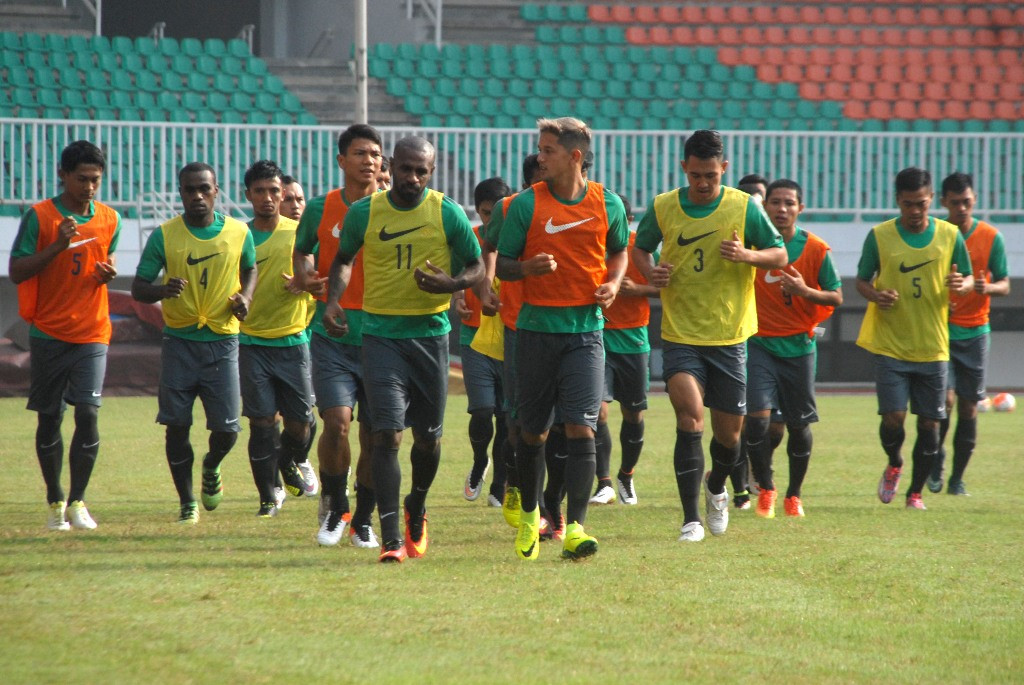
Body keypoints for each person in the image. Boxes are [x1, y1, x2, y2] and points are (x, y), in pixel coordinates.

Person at [323, 135, 484, 563]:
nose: (412, 177)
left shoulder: (446, 212)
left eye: (422, 171)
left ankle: (417, 505)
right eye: (406, 168)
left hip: (430, 337)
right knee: (386, 436)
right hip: (379, 338)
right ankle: (392, 537)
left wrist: (452, 285)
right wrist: (335, 300)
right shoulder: (365, 212)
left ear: (431, 172)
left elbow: (476, 265)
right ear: (390, 165)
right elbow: (343, 259)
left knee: (427, 441)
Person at [633, 129, 786, 542]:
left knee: (730, 438)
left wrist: (747, 255)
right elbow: (640, 249)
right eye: (696, 174)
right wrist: (651, 272)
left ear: (725, 170)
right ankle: (690, 520)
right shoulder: (664, 206)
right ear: (684, 168)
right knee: (690, 419)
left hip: (730, 336)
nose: (703, 183)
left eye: (712, 176)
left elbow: (779, 254)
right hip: (682, 333)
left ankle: (717, 486)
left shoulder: (743, 206)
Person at [496, 117, 629, 561]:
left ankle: (575, 528)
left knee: (582, 427)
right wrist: (527, 269)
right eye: (539, 148)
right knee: (532, 434)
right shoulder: (523, 206)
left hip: (586, 333)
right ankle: (532, 517)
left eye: (548, 149)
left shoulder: (608, 203)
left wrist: (613, 283)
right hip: (535, 333)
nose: (539, 156)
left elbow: (619, 251)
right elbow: (502, 263)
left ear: (575, 156)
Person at [131, 162, 257, 524]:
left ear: (216, 190)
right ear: (181, 193)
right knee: (176, 426)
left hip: (223, 342)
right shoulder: (165, 235)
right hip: (179, 343)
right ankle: (187, 502)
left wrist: (245, 297)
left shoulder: (237, 232)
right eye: (190, 190)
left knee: (228, 429)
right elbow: (139, 287)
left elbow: (251, 267)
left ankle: (211, 464)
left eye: (204, 189)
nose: (198, 196)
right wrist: (161, 290)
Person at [10, 140, 121, 531]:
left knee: (88, 413)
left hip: (92, 332)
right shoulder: (40, 217)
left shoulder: (110, 219)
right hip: (48, 332)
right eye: (81, 179)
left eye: (95, 180)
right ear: (63, 175)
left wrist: (105, 274)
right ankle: (55, 499)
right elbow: (18, 271)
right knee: (49, 417)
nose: (89, 187)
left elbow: (102, 263)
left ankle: (78, 501)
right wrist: (58, 245)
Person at [855, 167, 973, 510]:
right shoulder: (879, 236)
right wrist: (875, 295)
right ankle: (894, 462)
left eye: (921, 203)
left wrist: (960, 285)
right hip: (891, 344)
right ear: (898, 202)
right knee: (893, 419)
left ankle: (915, 493)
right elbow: (862, 281)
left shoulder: (950, 236)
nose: (915, 211)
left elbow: (965, 279)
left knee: (931, 425)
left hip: (933, 347)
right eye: (908, 204)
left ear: (931, 199)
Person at [292, 124, 383, 547]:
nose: (370, 160)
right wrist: (306, 274)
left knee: (375, 435)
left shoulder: (392, 209)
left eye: (376, 154)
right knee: (337, 423)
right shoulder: (320, 207)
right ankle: (335, 504)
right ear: (341, 160)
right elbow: (303, 247)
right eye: (361, 153)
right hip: (331, 334)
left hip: (383, 337)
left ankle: (363, 518)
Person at [743, 180, 842, 518]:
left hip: (799, 347)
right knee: (756, 422)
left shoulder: (815, 249)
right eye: (775, 203)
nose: (782, 209)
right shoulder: (752, 244)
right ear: (766, 207)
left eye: (789, 203)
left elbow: (835, 296)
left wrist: (805, 291)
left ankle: (793, 496)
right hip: (758, 345)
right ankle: (766, 489)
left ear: (800, 208)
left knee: (799, 426)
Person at [239, 160, 315, 517]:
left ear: (282, 193)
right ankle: (267, 497)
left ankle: (289, 461)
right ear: (248, 195)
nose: (268, 198)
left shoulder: (300, 233)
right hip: (252, 342)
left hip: (293, 340)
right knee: (262, 423)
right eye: (260, 191)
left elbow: (317, 277)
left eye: (274, 191)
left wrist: (304, 283)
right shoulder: (238, 237)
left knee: (301, 424)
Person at [928, 172, 1010, 496]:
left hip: (976, 331)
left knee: (970, 407)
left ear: (974, 201)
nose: (961, 208)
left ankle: (957, 479)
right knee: (943, 401)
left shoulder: (992, 237)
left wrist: (985, 286)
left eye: (967, 202)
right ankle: (936, 460)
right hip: (941, 330)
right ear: (944, 202)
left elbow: (1005, 284)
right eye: (955, 202)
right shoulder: (937, 235)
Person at [589, 194, 657, 507]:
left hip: (632, 339)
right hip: (596, 337)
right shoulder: (586, 243)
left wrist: (638, 289)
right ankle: (603, 483)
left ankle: (626, 475)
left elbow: (665, 287)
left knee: (634, 412)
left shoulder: (638, 247)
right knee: (597, 410)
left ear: (626, 221)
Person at [455, 177, 511, 507]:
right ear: (478, 212)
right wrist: (458, 297)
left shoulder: (518, 240)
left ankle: (500, 483)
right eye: (487, 213)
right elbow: (457, 274)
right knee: (482, 410)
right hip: (474, 336)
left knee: (506, 416)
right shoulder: (471, 241)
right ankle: (479, 462)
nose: (493, 221)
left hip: (509, 337)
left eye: (499, 213)